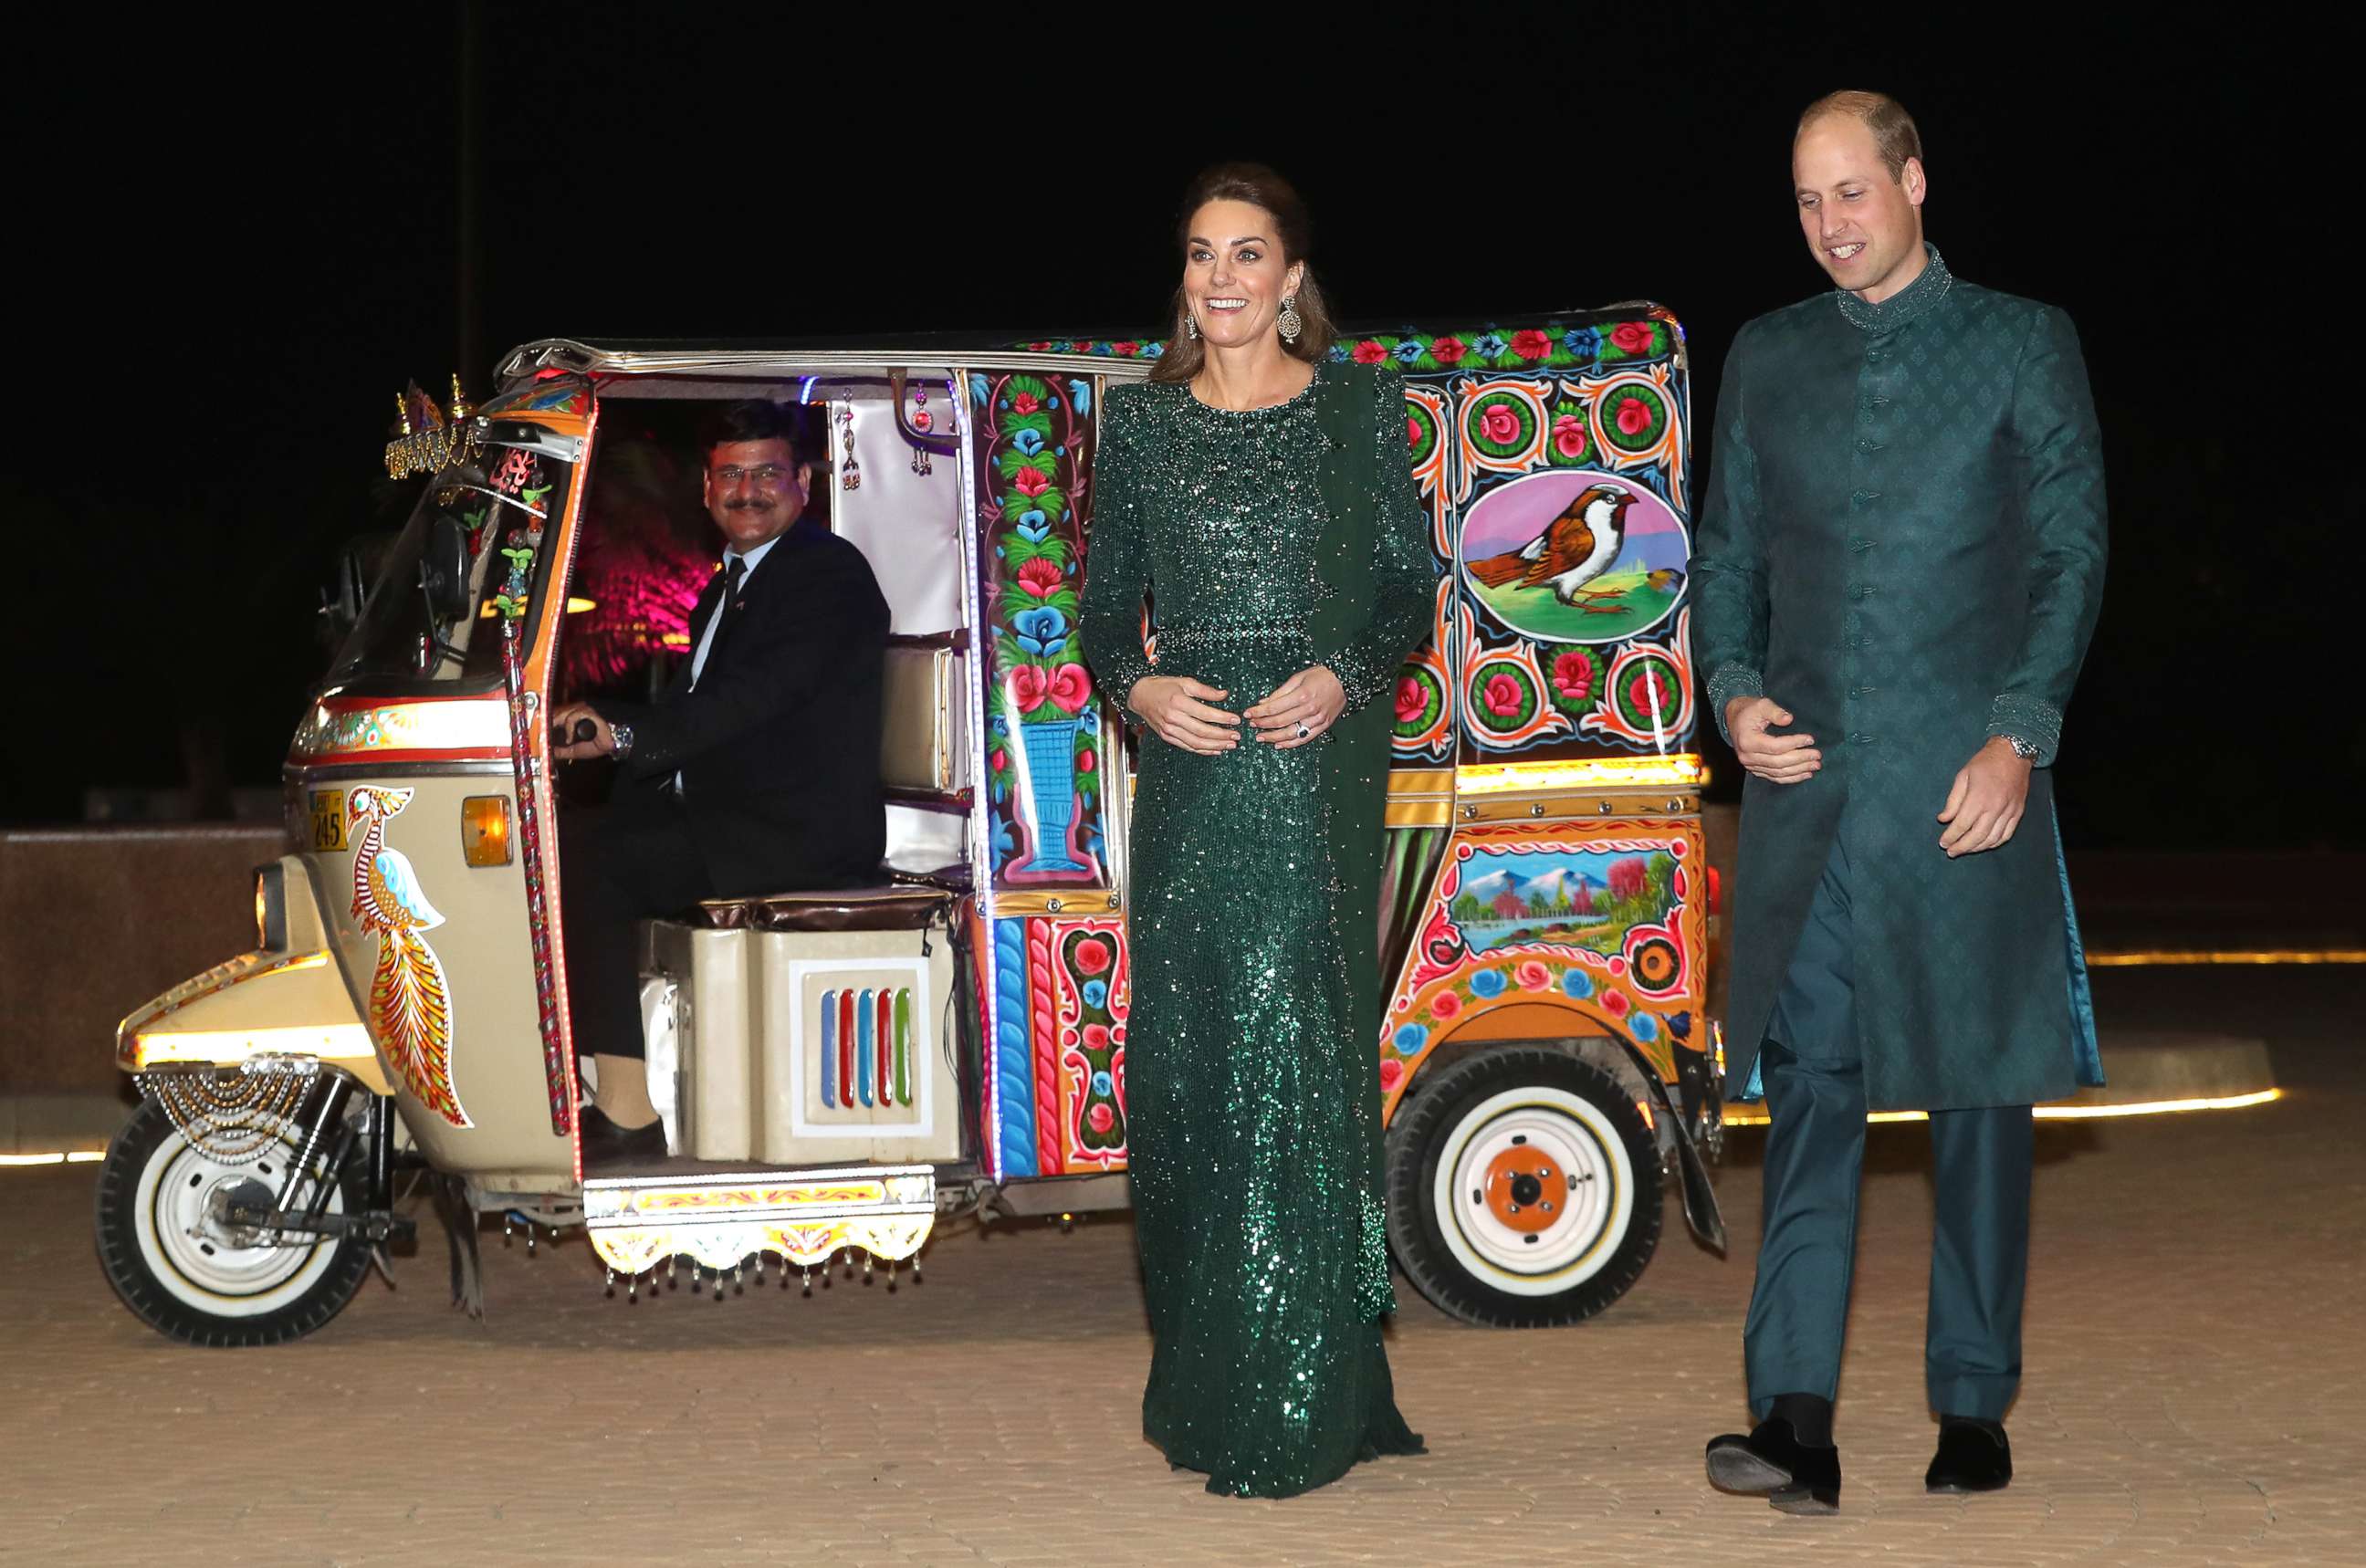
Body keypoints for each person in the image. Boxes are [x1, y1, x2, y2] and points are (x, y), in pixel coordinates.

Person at [1692, 92, 2107, 1513]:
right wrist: (1736, 693)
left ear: (1916, 181)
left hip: (1963, 794)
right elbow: (1724, 560)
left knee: (1979, 1095)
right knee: (1813, 1094)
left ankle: (1971, 1401)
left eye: (1854, 193)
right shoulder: (1769, 355)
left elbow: (2071, 552)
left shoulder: (2019, 341)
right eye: (1808, 202)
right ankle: (1796, 1416)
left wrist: (2018, 735)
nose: (1831, 226)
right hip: (1813, 811)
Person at [1077, 162, 1436, 1499]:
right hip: (1191, 769)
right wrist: (1138, 687)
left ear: (1292, 278)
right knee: (1192, 1065)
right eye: (1198, 255)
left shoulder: (1358, 406)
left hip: (1312, 754)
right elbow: (1107, 611)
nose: (1219, 278)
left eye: (1246, 255)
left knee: (1291, 1046)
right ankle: (1214, 1374)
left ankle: (1297, 1400)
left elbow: (1408, 578)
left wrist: (1345, 670)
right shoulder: (1144, 426)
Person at [551, 400, 890, 1164]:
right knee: (561, 842)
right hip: (734, 817)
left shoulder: (825, 575)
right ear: (706, 492)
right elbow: (696, 713)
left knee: (598, 863)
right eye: (730, 475)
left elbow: (753, 702)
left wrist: (627, 732)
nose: (747, 491)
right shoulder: (728, 585)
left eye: (766, 473)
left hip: (797, 832)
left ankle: (629, 1111)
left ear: (802, 481)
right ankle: (586, 1074)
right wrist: (595, 721)